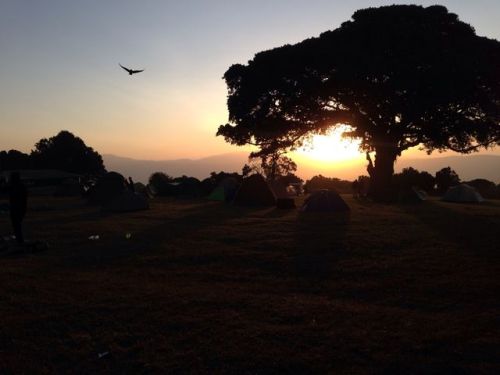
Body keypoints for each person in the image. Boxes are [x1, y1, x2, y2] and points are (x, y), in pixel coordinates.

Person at [8, 172, 27, 244]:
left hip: (17, 209)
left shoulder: (17, 187)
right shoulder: (20, 186)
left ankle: (20, 241)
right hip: (19, 209)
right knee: (16, 225)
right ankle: (19, 240)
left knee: (17, 225)